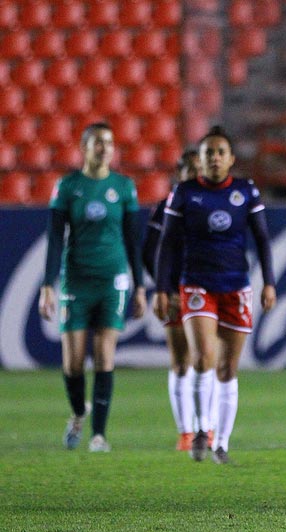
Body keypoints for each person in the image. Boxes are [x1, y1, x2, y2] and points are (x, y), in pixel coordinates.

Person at [154, 126, 277, 464]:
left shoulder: (245, 191)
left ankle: (221, 442)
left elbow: (263, 239)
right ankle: (200, 430)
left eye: (220, 152)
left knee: (227, 368)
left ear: (231, 158)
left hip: (236, 285)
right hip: (196, 284)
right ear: (201, 158)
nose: (214, 158)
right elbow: (166, 243)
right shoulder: (184, 192)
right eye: (208, 152)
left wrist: (269, 281)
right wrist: (162, 288)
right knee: (202, 358)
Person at [38, 122, 147, 452]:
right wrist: (47, 285)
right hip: (76, 279)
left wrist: (140, 286)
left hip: (113, 280)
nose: (105, 148)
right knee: (72, 363)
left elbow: (132, 239)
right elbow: (56, 237)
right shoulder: (68, 187)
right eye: (98, 143)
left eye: (110, 143)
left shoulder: (124, 187)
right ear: (84, 147)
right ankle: (77, 413)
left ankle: (99, 435)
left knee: (104, 357)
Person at [142, 149, 214, 452]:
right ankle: (186, 431)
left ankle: (206, 428)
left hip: (207, 291)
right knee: (182, 361)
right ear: (180, 174)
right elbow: (151, 252)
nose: (197, 175)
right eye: (191, 170)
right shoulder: (166, 207)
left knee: (206, 359)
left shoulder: (210, 205)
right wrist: (164, 289)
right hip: (175, 292)